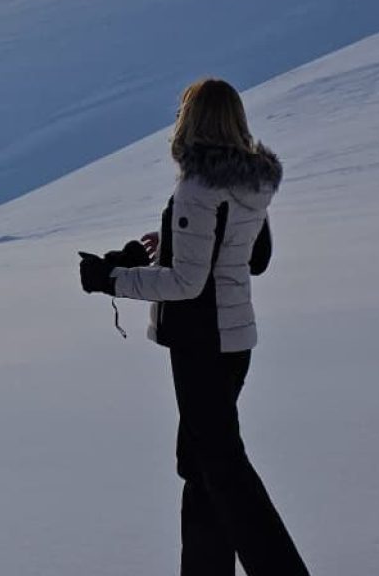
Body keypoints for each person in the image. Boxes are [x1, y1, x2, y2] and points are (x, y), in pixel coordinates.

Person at [77, 77, 309, 576]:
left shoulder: (197, 188)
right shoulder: (251, 182)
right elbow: (257, 258)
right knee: (203, 467)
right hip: (234, 340)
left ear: (191, 120)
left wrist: (109, 278)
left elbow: (185, 284)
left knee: (223, 469)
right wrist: (168, 240)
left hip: (202, 344)